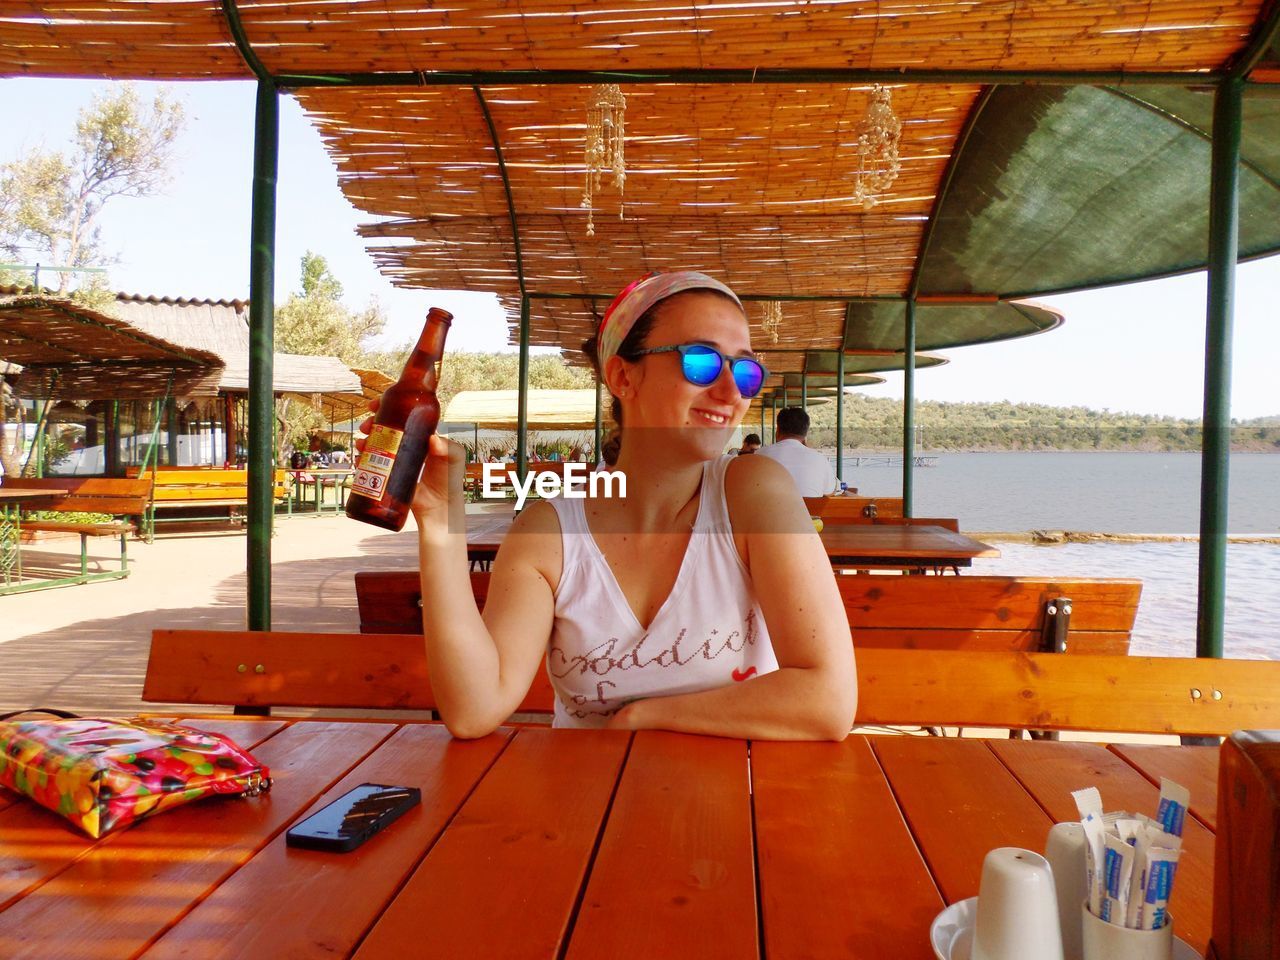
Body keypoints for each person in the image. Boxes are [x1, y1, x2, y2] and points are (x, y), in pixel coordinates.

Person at [357, 270, 854, 740]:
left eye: (746, 371)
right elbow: (473, 709)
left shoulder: (751, 493)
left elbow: (828, 699)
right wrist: (442, 524)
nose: (730, 392)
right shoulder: (549, 532)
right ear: (622, 376)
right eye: (700, 361)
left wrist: (646, 717)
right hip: (584, 815)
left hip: (734, 814)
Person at [756, 407, 839, 497]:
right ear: (805, 434)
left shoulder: (760, 454)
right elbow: (830, 492)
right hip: (809, 511)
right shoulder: (820, 459)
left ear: (778, 431)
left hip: (769, 510)